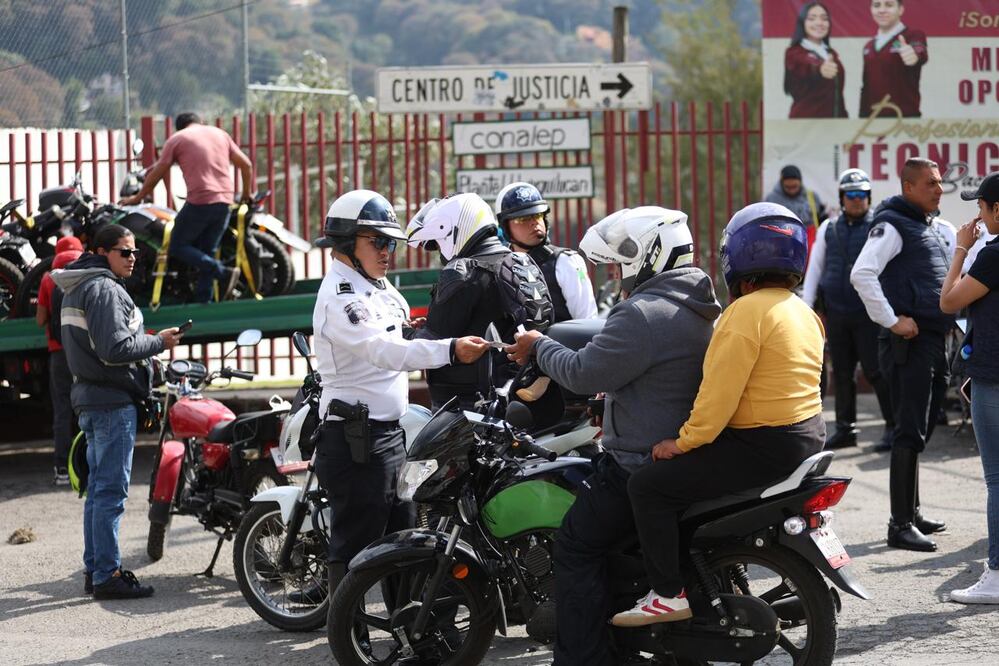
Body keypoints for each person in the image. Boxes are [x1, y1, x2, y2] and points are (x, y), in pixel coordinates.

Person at [505, 206, 720, 665]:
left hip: (639, 462)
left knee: (575, 544)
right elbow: (656, 378)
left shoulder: (642, 313)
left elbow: (583, 372)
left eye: (622, 264)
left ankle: (583, 658)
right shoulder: (697, 301)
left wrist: (540, 346)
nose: (619, 275)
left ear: (649, 257)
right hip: (681, 454)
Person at [610, 202, 826, 626]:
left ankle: (667, 594)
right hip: (807, 437)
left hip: (760, 445)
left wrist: (682, 442)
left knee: (648, 487)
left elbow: (717, 397)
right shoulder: (802, 311)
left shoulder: (744, 313)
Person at [310, 189, 489, 606]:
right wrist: (449, 350)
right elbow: (385, 351)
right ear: (346, 242)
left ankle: (407, 628)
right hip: (355, 439)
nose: (387, 252)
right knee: (356, 544)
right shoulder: (342, 297)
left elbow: (404, 333)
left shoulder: (378, 287)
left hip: (387, 435)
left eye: (391, 243)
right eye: (377, 241)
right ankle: (349, 635)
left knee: (404, 539)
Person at [51, 225, 184, 599]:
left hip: (92, 398)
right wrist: (159, 342)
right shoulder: (104, 289)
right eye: (125, 251)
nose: (133, 258)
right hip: (110, 402)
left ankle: (96, 570)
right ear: (101, 252)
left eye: (135, 252)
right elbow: (114, 350)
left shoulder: (78, 287)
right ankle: (107, 575)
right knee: (110, 493)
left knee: (98, 492)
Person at [850, 158, 953, 552]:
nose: (939, 189)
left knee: (921, 427)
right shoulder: (892, 226)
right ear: (908, 187)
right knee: (907, 430)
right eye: (930, 183)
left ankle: (914, 511)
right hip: (909, 342)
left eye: (939, 182)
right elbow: (861, 273)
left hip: (932, 339)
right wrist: (893, 321)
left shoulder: (925, 225)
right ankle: (900, 524)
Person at [406, 192, 554, 410]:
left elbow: (430, 342)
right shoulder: (520, 261)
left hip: (468, 407)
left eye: (438, 242)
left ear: (453, 230)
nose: (439, 250)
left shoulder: (462, 272)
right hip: (519, 397)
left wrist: (403, 331)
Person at [802, 169, 894, 451]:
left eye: (861, 194)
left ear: (869, 197)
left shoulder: (880, 228)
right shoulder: (829, 228)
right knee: (842, 374)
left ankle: (894, 428)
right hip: (837, 314)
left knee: (876, 371)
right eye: (851, 194)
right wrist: (806, 308)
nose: (856, 199)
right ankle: (845, 430)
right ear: (842, 198)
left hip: (868, 314)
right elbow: (815, 269)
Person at [940, 172, 999, 603]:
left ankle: (996, 574)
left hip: (992, 376)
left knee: (997, 479)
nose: (977, 215)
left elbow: (948, 301)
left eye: (981, 206)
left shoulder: (992, 256)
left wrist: (961, 248)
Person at [119, 112, 248, 302]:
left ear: (179, 127)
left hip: (200, 202)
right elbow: (246, 165)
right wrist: (246, 195)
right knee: (207, 252)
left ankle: (222, 272)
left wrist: (137, 198)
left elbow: (158, 172)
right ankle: (204, 300)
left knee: (176, 246)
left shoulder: (178, 139)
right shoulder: (220, 134)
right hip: (225, 202)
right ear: (200, 122)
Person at [494, 181, 597, 321]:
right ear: (505, 227)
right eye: (522, 218)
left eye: (537, 215)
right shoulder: (498, 266)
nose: (534, 222)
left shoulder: (567, 262)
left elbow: (587, 321)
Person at [35, 235, 84, 485]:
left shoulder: (48, 278)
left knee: (62, 410)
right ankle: (87, 465)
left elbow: (40, 320)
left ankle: (62, 469)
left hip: (59, 354)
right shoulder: (87, 275)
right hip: (84, 353)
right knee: (88, 406)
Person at [859, 0, 928, 118]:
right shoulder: (868, 46)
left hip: (905, 120)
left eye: (889, 5)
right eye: (877, 5)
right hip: (873, 122)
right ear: (871, 9)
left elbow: (920, 49)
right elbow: (866, 88)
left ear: (900, 9)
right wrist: (862, 118)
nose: (882, 10)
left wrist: (915, 55)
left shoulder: (913, 35)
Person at [783, 2, 847, 118]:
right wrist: (820, 69)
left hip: (836, 124)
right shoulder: (794, 53)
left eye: (824, 19)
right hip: (806, 124)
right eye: (812, 19)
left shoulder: (831, 54)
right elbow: (806, 64)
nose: (819, 23)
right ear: (802, 22)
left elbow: (838, 97)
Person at [765, 165, 827, 251]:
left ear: (800, 182)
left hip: (809, 248)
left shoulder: (812, 197)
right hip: (780, 247)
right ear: (781, 183)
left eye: (794, 186)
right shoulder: (771, 199)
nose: (791, 190)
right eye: (788, 187)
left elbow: (822, 223)